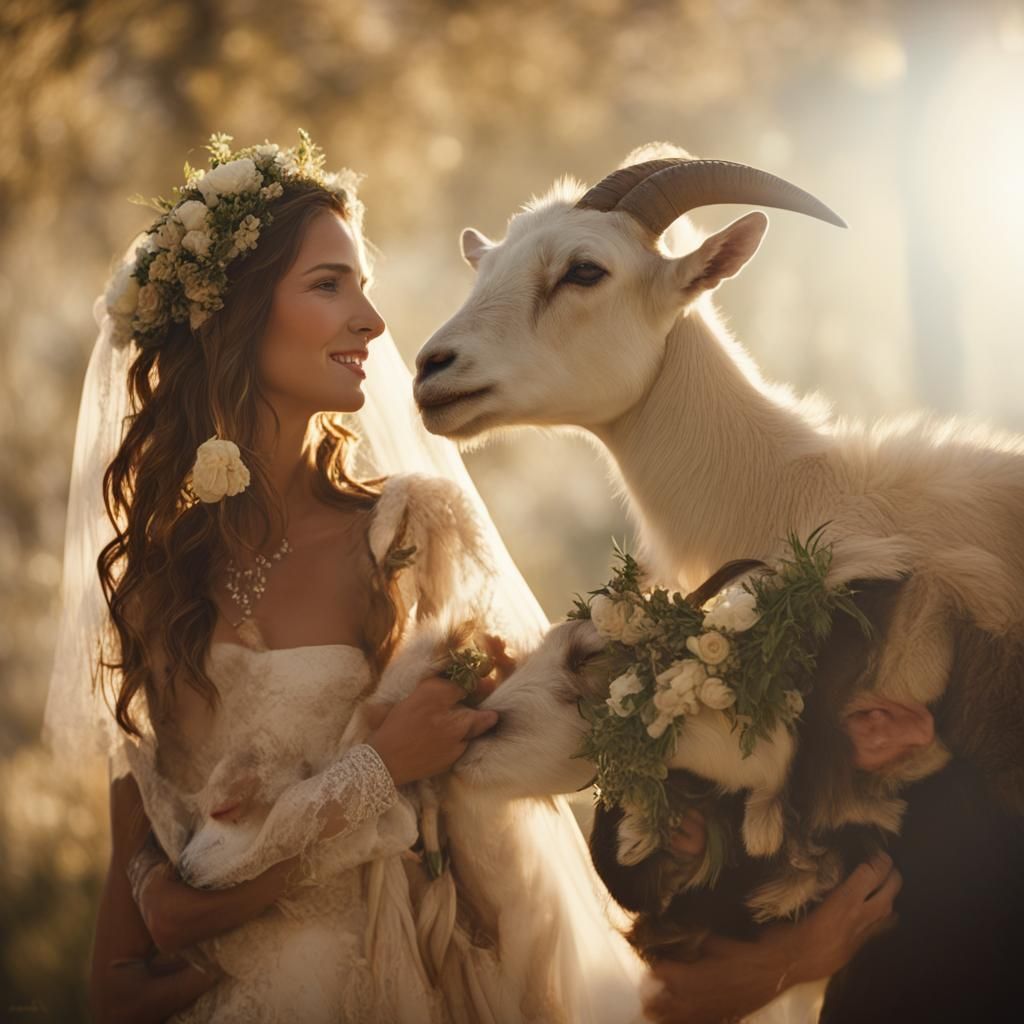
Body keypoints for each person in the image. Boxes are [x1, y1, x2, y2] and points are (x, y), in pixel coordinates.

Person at [43, 132, 644, 1023]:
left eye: (363, 285)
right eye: (330, 285)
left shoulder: (410, 534)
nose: (372, 321)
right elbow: (134, 930)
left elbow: (498, 799)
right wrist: (155, 893)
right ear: (234, 314)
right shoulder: (155, 580)